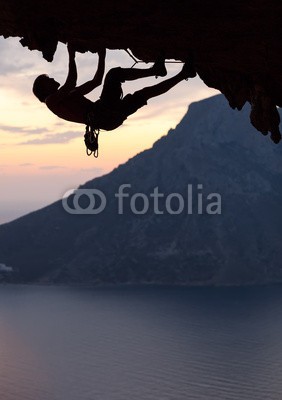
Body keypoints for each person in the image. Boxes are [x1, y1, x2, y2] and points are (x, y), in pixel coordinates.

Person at [33, 44, 196, 141]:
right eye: (48, 80)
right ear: (44, 88)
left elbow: (96, 81)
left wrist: (102, 56)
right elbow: (71, 82)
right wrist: (71, 54)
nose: (53, 79)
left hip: (107, 118)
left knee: (143, 94)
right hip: (103, 114)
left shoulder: (67, 96)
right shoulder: (51, 101)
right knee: (114, 75)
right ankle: (156, 69)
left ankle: (183, 74)